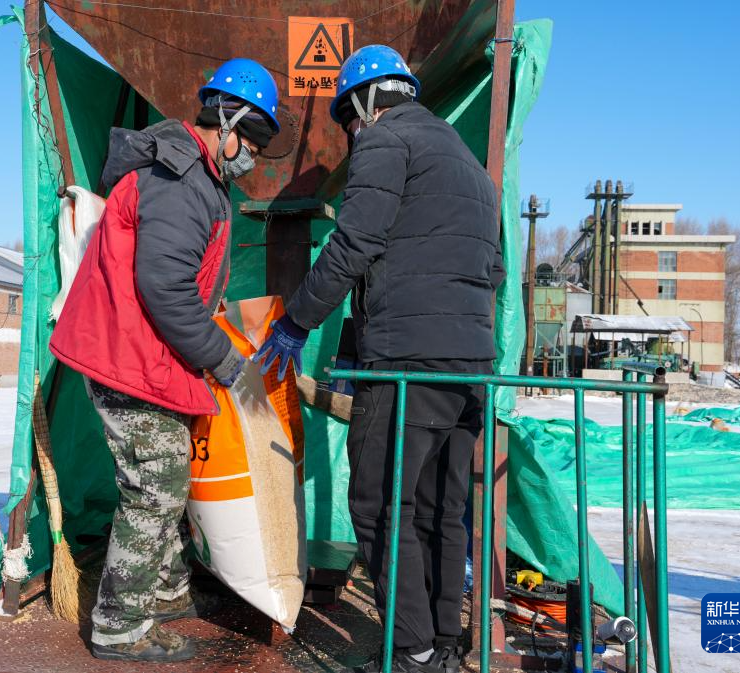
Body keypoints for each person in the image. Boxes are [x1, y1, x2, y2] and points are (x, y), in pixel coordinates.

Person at [254, 45, 505, 673]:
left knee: (379, 506)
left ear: (366, 104)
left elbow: (356, 243)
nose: (350, 131)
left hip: (406, 367)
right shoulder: (469, 165)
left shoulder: (386, 141)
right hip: (471, 369)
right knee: (441, 509)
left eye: (348, 118)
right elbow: (491, 271)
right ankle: (442, 643)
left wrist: (295, 322)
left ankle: (411, 651)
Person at [49, 58, 280, 663]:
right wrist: (224, 360)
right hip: (129, 354)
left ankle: (168, 589)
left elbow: (177, 280)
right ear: (226, 123)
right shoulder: (180, 181)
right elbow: (166, 290)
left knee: (167, 477)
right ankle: (120, 626)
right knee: (156, 485)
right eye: (252, 142)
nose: (252, 158)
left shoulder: (193, 176)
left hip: (140, 351)